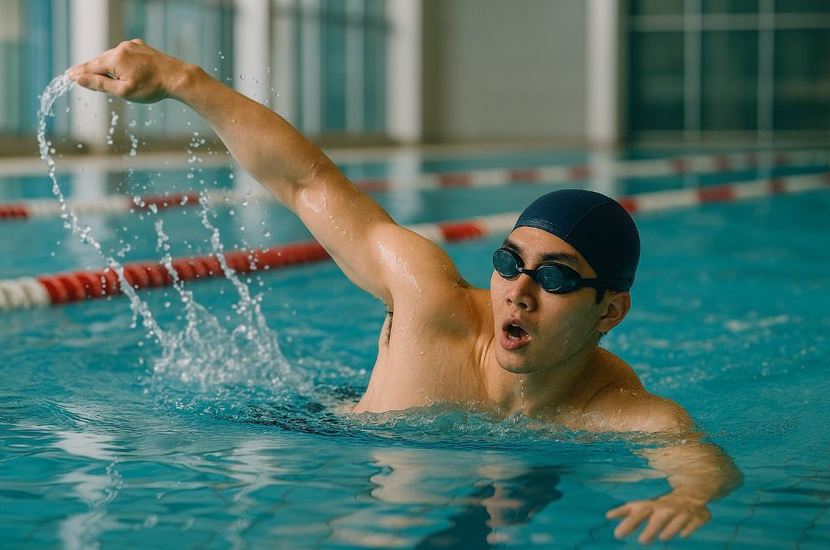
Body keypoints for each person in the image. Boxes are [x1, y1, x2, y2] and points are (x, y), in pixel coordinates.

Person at [68, 39, 741, 544]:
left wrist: (690, 497)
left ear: (610, 311)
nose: (519, 291)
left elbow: (699, 458)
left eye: (557, 277)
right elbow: (308, 184)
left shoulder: (616, 408)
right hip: (321, 426)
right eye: (509, 262)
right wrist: (182, 81)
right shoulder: (427, 301)